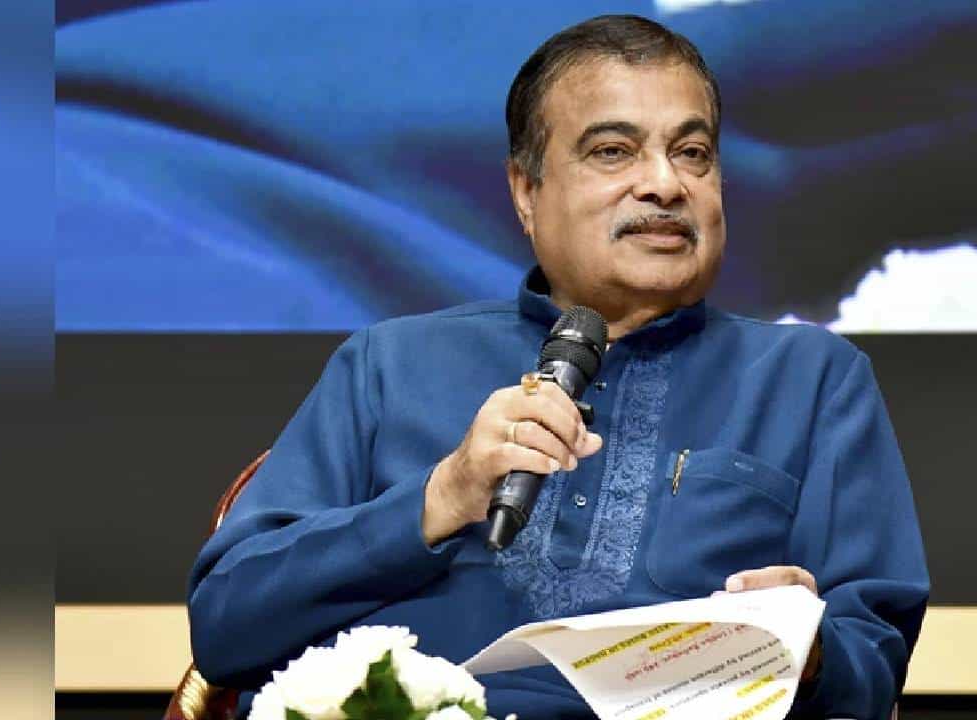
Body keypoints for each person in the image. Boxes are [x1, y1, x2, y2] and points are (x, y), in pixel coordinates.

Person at [188, 15, 929, 719]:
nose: (666, 184)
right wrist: (442, 496)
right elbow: (226, 625)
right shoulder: (388, 364)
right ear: (526, 191)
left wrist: (809, 653)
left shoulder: (811, 378)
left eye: (692, 152)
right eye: (613, 151)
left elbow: (872, 669)